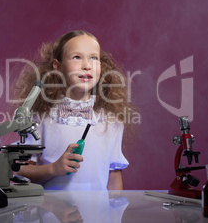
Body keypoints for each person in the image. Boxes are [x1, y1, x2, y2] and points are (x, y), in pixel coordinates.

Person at [12, 30, 133, 190]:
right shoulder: (40, 118)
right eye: (77, 57)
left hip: (97, 214)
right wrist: (53, 169)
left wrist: (115, 213)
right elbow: (21, 171)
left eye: (93, 58)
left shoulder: (112, 121)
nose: (86, 65)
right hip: (52, 213)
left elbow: (113, 179)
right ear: (57, 66)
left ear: (101, 67)